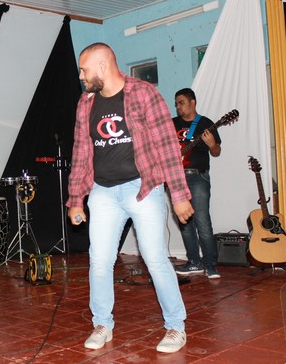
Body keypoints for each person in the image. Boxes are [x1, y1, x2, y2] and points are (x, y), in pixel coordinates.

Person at [67, 43, 194, 354]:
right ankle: (102, 323)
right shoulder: (85, 103)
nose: (81, 76)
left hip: (143, 188)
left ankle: (176, 327)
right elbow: (81, 152)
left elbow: (167, 146)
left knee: (155, 258)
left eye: (84, 70)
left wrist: (179, 195)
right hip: (102, 192)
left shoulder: (143, 93)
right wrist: (75, 198)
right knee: (99, 261)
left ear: (102, 66)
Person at [172, 88, 221, 279]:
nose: (178, 106)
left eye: (181, 102)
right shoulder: (172, 124)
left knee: (202, 221)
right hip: (177, 178)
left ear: (193, 102)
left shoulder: (206, 124)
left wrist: (212, 144)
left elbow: (216, 152)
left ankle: (210, 264)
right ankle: (193, 261)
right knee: (185, 222)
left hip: (197, 177)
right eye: (176, 103)